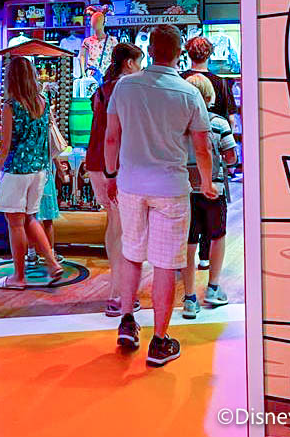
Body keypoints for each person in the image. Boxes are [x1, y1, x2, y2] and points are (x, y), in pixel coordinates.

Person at [105, 24, 214, 367]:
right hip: (170, 187)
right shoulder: (189, 93)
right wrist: (207, 183)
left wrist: (111, 174)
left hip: (131, 183)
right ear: (179, 53)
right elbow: (202, 148)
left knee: (131, 253)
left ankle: (127, 320)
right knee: (166, 264)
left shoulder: (125, 86)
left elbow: (112, 137)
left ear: (150, 50)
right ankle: (160, 340)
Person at [0, 56, 64, 289]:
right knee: (30, 218)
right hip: (39, 169)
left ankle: (18, 277)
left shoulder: (11, 106)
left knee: (16, 223)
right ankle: (52, 263)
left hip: (17, 170)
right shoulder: (42, 101)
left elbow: (5, 145)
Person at [86, 42, 144, 317]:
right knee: (124, 231)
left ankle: (117, 290)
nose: (141, 68)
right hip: (116, 166)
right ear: (129, 63)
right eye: (139, 62)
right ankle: (119, 295)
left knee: (114, 227)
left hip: (96, 162)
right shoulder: (128, 88)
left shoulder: (102, 89)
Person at [181, 73, 238, 314]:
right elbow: (231, 156)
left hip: (184, 189)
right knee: (217, 235)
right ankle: (213, 287)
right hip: (214, 188)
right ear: (209, 96)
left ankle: (189, 297)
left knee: (188, 242)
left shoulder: (177, 124)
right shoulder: (219, 123)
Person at [180, 35, 237, 269]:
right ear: (210, 54)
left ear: (187, 53)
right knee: (212, 204)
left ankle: (184, 261)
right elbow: (230, 118)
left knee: (188, 210)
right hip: (213, 148)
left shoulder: (180, 79)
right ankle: (205, 257)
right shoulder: (221, 83)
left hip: (183, 157)